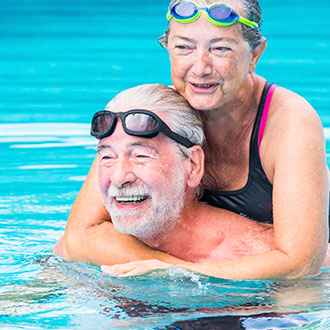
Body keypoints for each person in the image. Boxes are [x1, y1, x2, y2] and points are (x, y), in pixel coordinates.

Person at [58, 0, 330, 279]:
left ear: (254, 55)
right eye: (184, 47)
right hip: (207, 259)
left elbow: (300, 263)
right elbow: (79, 236)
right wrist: (163, 268)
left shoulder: (289, 121)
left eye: (220, 48)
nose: (200, 68)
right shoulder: (159, 113)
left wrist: (179, 272)